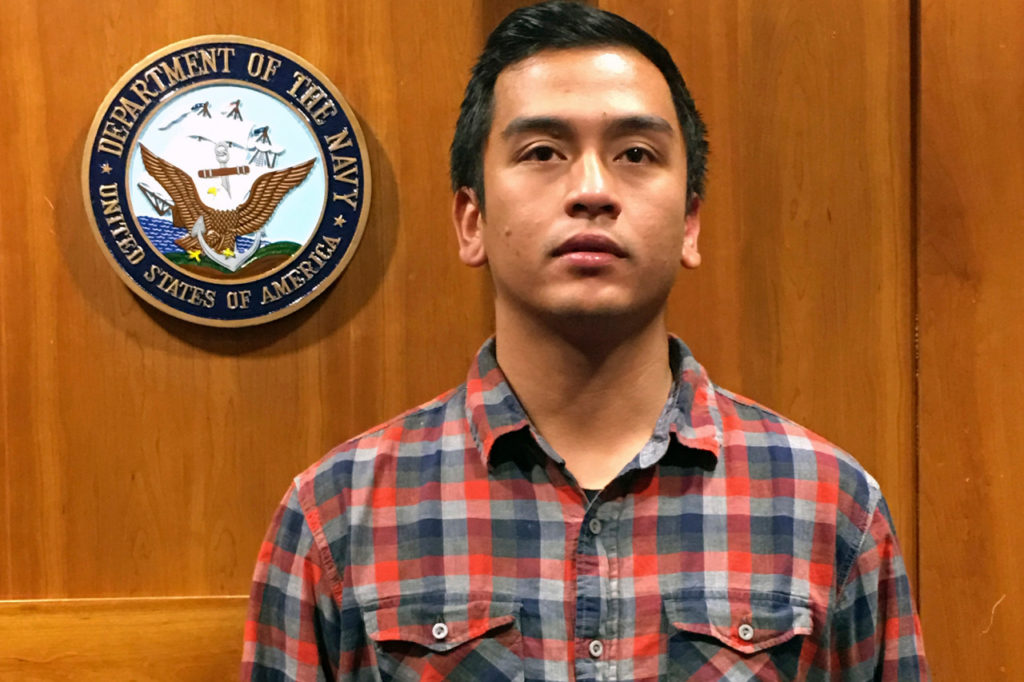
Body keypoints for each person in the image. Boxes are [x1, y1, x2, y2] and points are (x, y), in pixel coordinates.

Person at [241, 2, 928, 680]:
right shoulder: (336, 516)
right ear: (472, 222)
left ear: (690, 225)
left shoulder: (829, 508)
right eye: (543, 152)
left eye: (635, 154)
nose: (592, 190)